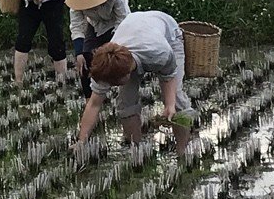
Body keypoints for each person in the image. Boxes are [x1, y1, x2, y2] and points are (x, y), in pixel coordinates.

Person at [78, 10, 197, 148]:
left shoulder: (158, 53)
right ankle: (136, 148)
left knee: (176, 99)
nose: (113, 86)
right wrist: (81, 142)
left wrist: (170, 105)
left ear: (127, 72)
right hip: (134, 27)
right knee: (125, 102)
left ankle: (183, 152)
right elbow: (94, 104)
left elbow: (168, 77)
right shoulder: (106, 65)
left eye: (115, 82)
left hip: (168, 34)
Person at [65, 0, 131, 99]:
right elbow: (77, 25)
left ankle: (122, 93)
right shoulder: (75, 3)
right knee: (85, 60)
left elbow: (124, 20)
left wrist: (112, 45)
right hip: (94, 25)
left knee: (116, 59)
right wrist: (79, 53)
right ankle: (90, 99)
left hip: (117, 26)